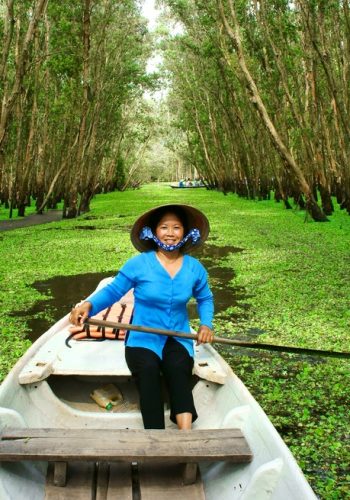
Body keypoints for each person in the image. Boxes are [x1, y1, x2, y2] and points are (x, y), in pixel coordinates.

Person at [69, 204, 214, 430]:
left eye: (176, 227)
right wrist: (88, 305)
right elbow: (113, 291)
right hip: (142, 337)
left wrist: (206, 325)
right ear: (154, 232)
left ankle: (186, 435)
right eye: (164, 227)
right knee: (148, 372)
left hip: (178, 335)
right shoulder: (139, 264)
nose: (170, 232)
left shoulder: (195, 268)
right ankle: (154, 435)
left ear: (185, 233)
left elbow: (205, 299)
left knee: (178, 369)